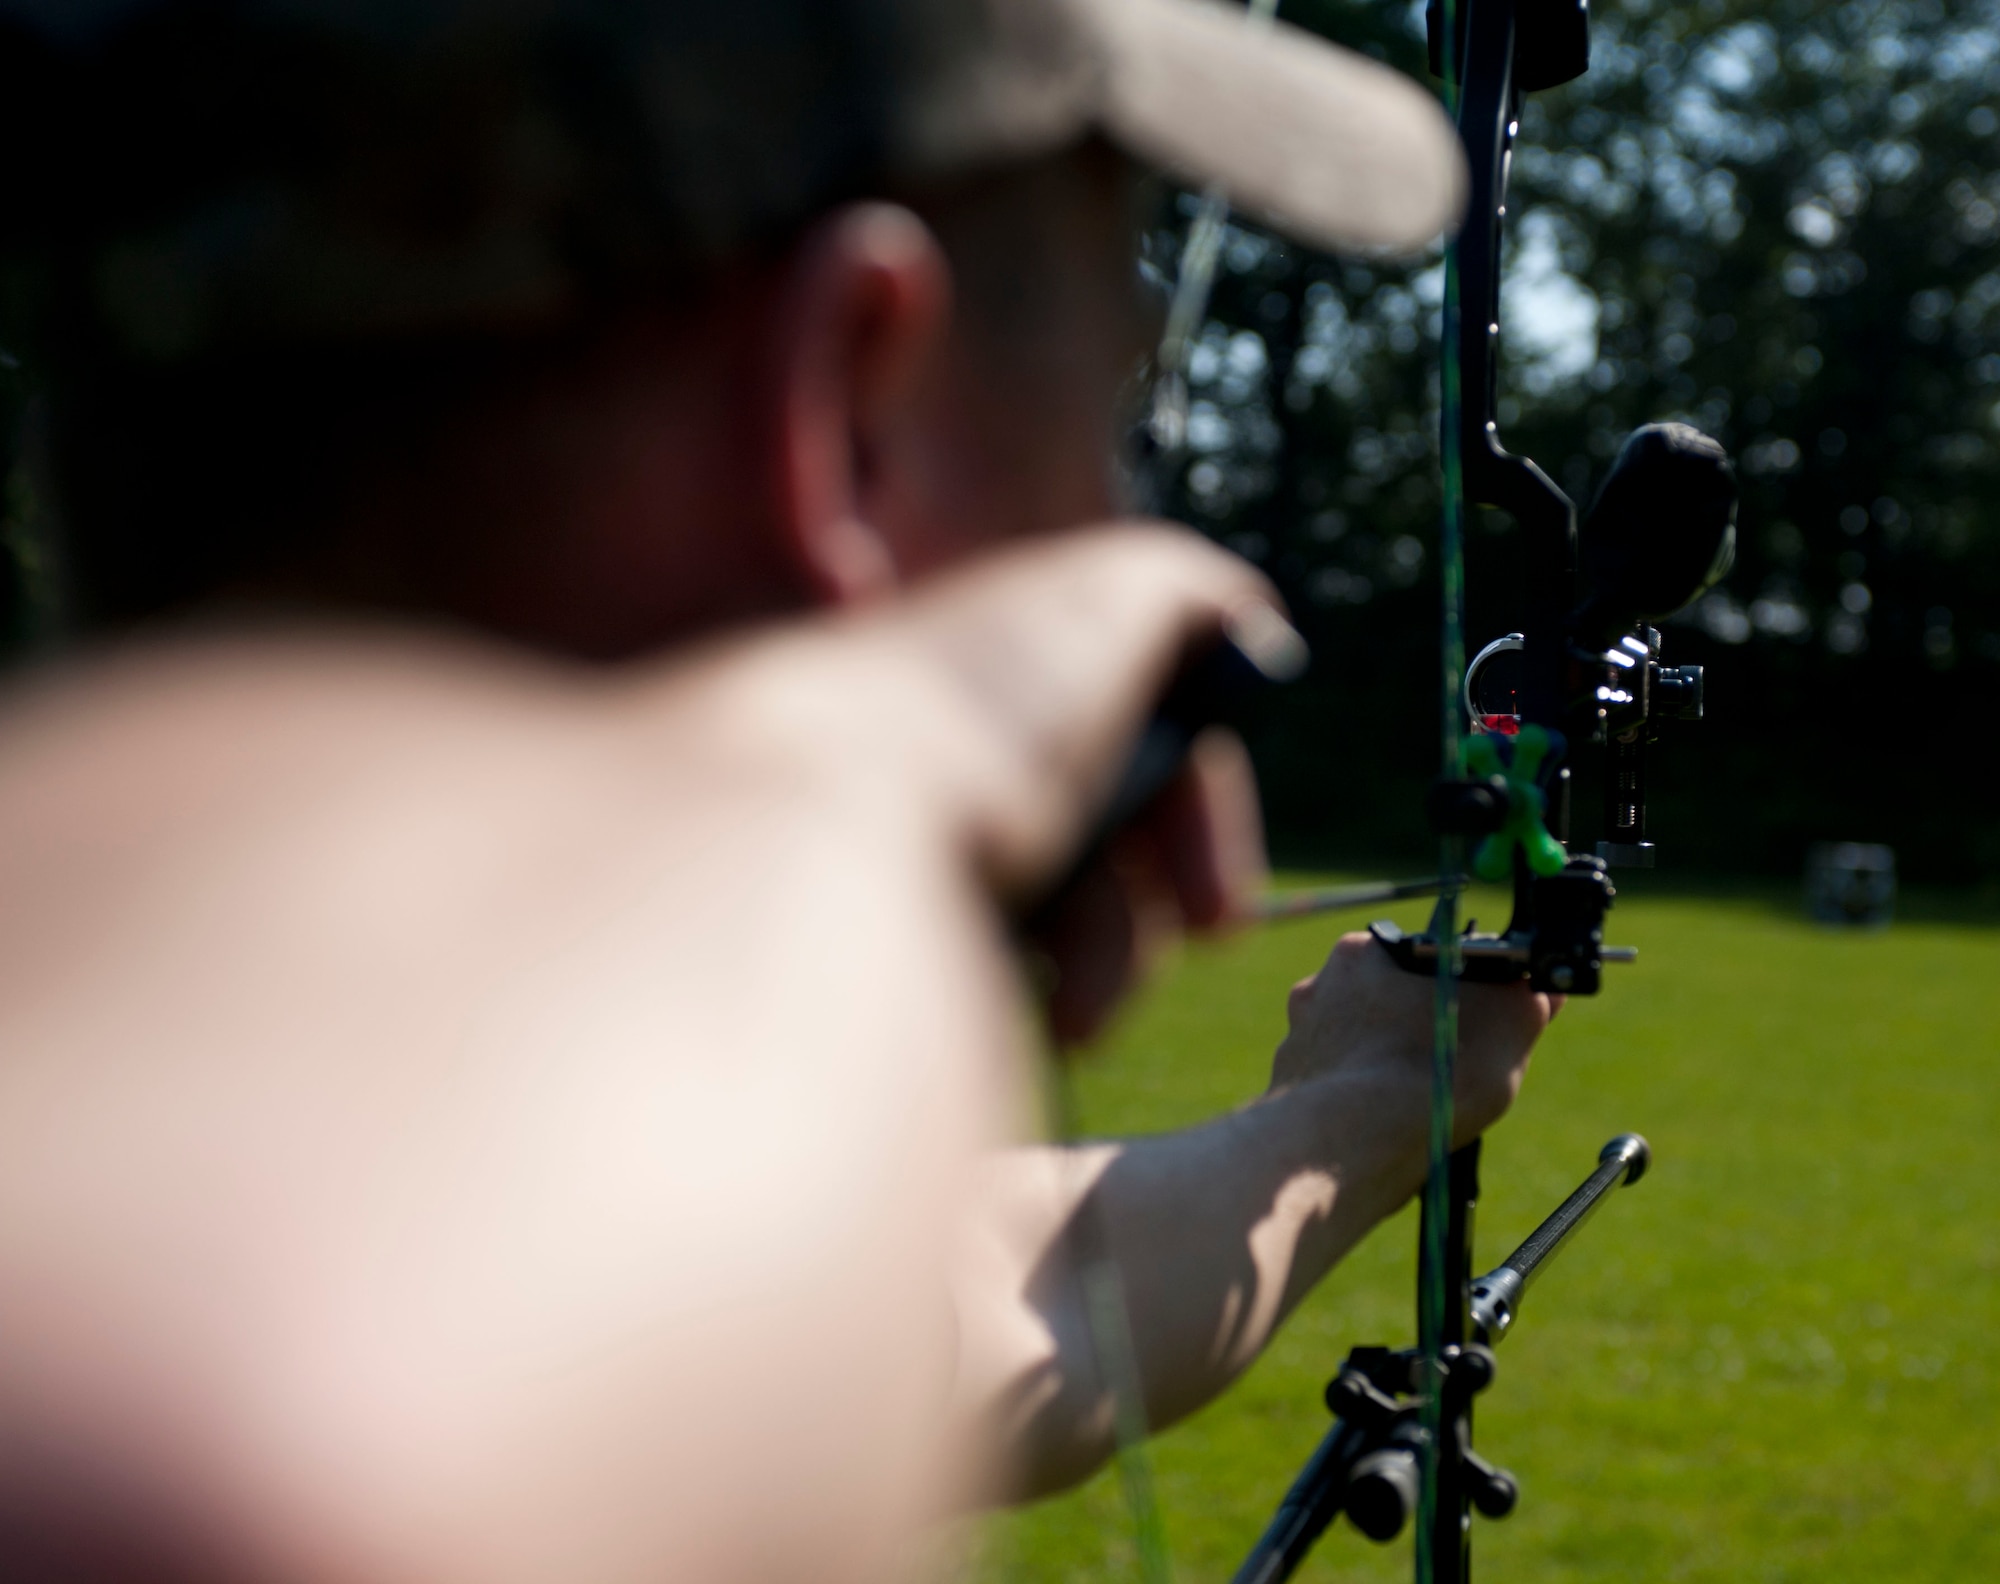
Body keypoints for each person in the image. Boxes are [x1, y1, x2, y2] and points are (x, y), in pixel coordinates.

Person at [0, 1, 1553, 1578]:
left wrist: (1356, 1110)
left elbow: (1001, 1299)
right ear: (852, 415)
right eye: (1115, 396)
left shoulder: (575, 1260)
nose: (1119, 512)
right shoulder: (235, 1322)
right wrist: (872, 758)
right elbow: (184, 1448)